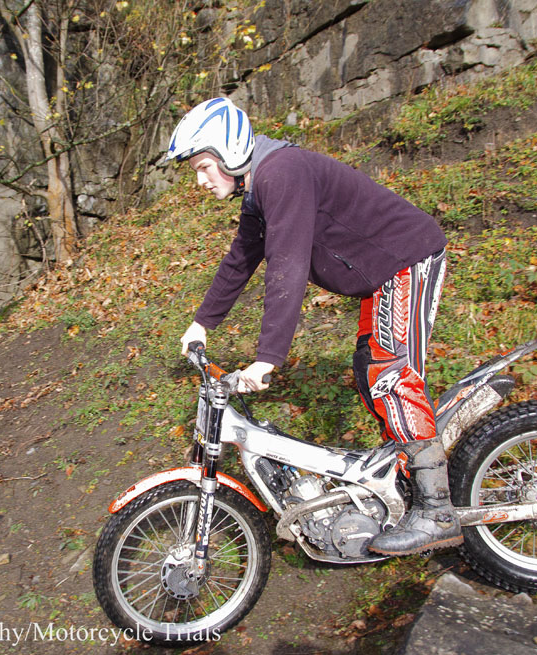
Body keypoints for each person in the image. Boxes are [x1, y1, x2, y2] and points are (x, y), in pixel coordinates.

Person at [167, 97, 460, 556]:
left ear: (230, 152)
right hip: (382, 275)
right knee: (369, 369)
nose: (201, 181)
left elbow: (287, 263)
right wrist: (202, 323)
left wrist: (268, 357)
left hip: (406, 259)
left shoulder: (281, 173)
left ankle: (436, 510)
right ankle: (406, 475)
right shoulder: (262, 185)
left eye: (204, 167)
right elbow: (242, 257)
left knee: (389, 375)